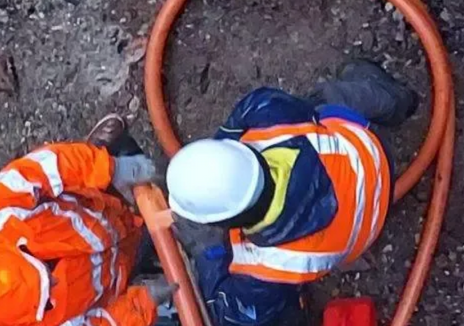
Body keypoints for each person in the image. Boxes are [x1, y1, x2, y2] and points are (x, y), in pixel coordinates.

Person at [165, 63, 418, 326]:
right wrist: (220, 148)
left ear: (223, 221)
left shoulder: (270, 269)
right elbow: (253, 106)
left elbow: (233, 314)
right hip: (368, 153)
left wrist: (210, 252)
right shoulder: (270, 118)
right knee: (325, 101)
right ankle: (399, 100)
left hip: (366, 230)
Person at [0, 125, 172, 326]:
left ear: (21, 251)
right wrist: (144, 302)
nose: (56, 278)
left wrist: (110, 169)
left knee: (97, 168)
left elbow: (44, 168)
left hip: (101, 205)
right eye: (48, 299)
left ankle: (100, 153)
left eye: (47, 271)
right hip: (120, 273)